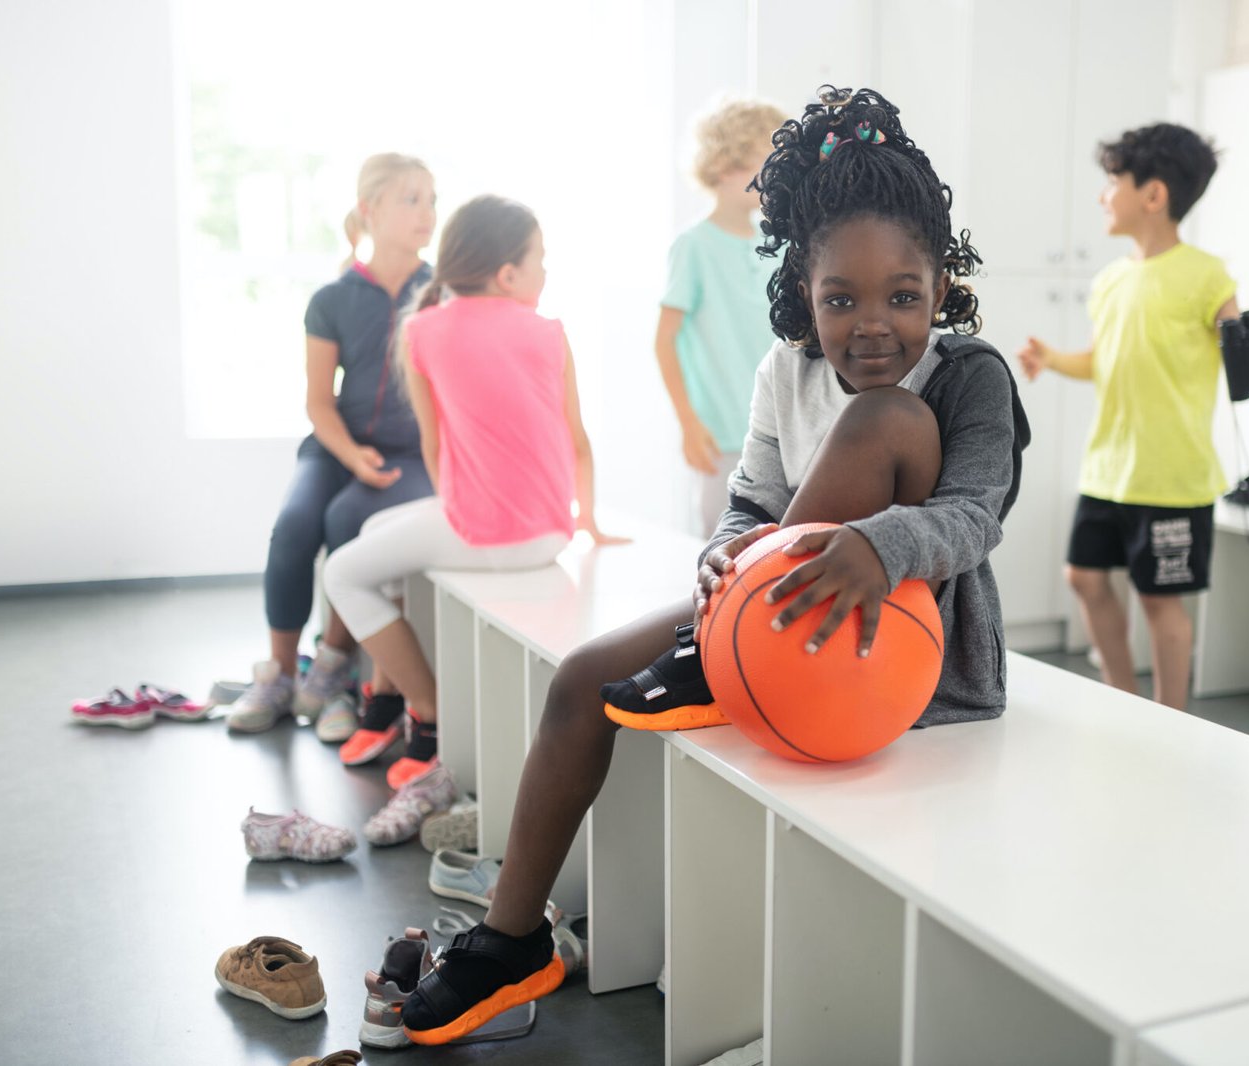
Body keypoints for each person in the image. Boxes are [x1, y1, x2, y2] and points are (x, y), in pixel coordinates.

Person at [396, 86, 1030, 1046]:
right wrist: (729, 550)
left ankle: (716, 650)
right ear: (800, 296)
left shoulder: (966, 375)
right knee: (579, 681)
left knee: (884, 417)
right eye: (839, 299)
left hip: (908, 659)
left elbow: (975, 516)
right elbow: (752, 503)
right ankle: (510, 939)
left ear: (940, 289)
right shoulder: (784, 370)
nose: (872, 325)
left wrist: (875, 544)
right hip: (768, 631)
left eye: (903, 297)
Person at [322, 194, 625, 790]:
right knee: (374, 533)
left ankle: (429, 715)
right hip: (548, 531)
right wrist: (585, 520)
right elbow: (578, 440)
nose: (546, 271)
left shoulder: (423, 330)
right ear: (507, 274)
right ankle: (386, 701)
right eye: (541, 259)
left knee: (342, 574)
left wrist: (458, 509)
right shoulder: (549, 330)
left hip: (487, 532)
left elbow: (435, 451)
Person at [1016, 122, 1249, 710]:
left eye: (1113, 182)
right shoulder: (1110, 280)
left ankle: (1172, 718)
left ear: (1153, 195)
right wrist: (1053, 360)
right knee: (1084, 578)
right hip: (1109, 469)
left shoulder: (1206, 274)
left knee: (1160, 601)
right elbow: (1103, 361)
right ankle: (1121, 698)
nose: (1103, 195)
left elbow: (1237, 334)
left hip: (1172, 477)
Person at [228, 153, 438, 739]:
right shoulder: (332, 298)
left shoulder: (442, 293)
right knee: (295, 526)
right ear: (369, 210)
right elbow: (319, 401)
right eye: (411, 199)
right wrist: (350, 456)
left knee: (348, 523)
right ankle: (276, 674)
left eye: (432, 199)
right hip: (335, 446)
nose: (428, 212)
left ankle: (333, 671)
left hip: (410, 454)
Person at [655, 98, 788, 534]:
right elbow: (664, 340)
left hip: (782, 428)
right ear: (727, 164)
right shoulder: (694, 246)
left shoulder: (779, 244)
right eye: (766, 161)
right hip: (722, 434)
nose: (777, 174)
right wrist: (688, 424)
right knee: (722, 544)